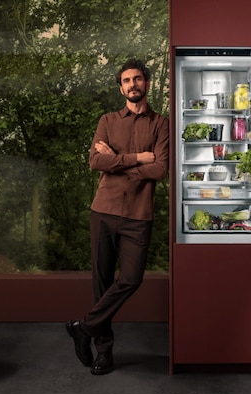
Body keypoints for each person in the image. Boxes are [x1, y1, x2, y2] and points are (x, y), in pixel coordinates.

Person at [66, 59, 169, 375]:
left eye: (137, 79)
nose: (132, 84)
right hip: (104, 211)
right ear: (121, 87)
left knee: (131, 278)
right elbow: (96, 162)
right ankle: (104, 353)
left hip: (139, 215)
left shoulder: (161, 123)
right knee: (101, 282)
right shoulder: (108, 120)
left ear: (146, 83)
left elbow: (161, 169)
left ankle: (83, 327)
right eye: (126, 81)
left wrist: (117, 162)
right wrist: (137, 159)